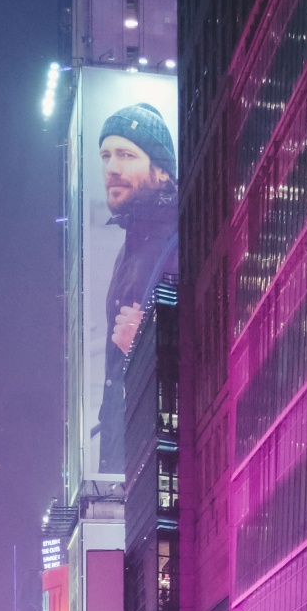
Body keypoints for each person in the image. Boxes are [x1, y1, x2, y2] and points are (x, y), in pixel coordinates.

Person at [94, 102, 178, 475]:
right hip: (129, 462)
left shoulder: (181, 238)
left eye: (126, 155)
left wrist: (144, 345)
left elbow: (216, 345)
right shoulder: (130, 248)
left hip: (164, 468)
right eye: (106, 156)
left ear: (161, 172)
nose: (112, 168)